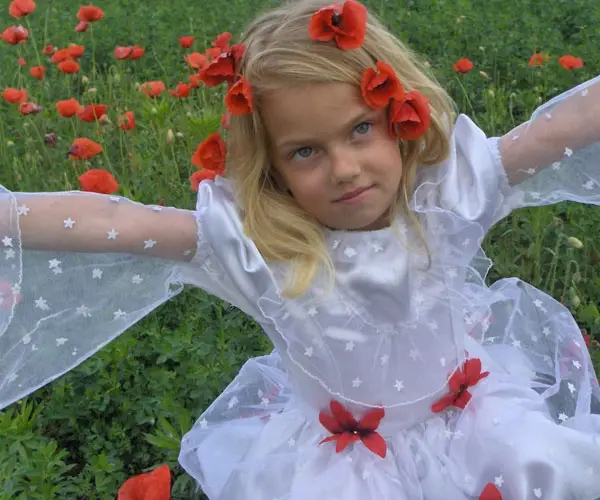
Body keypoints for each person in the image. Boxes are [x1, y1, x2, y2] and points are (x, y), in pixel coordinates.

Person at [1, 0, 600, 498]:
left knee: (538, 469)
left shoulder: (447, 199)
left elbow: (558, 131)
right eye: (304, 151)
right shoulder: (255, 250)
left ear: (400, 115)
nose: (344, 169)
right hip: (341, 469)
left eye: (361, 128)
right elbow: (114, 220)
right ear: (272, 167)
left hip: (478, 425)